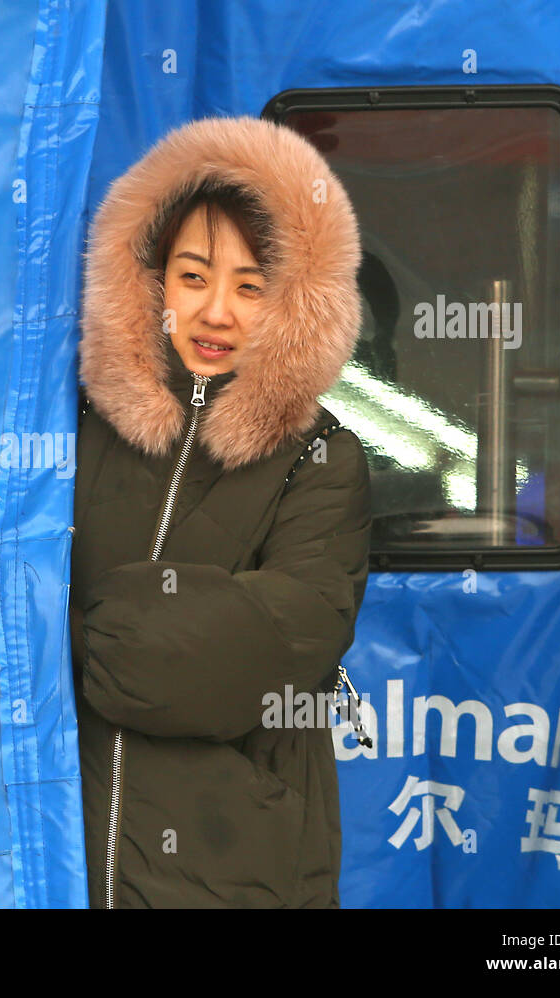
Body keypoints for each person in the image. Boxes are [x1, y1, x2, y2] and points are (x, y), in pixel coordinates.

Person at [70, 115, 372, 908]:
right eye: (193, 276)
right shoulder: (70, 425)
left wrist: (69, 632)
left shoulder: (321, 460)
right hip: (57, 862)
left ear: (293, 301)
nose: (216, 312)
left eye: (251, 286)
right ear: (148, 278)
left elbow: (265, 644)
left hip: (236, 874)